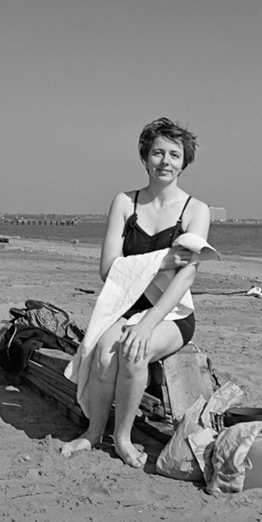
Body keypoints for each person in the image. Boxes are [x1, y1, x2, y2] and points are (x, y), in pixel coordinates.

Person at [61, 117, 210, 467]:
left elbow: (186, 278)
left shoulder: (196, 211)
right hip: (126, 305)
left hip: (172, 314)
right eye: (158, 152)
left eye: (174, 155)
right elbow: (107, 268)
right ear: (145, 158)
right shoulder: (125, 204)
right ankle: (92, 433)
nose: (165, 162)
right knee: (103, 356)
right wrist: (161, 260)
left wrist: (147, 326)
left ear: (184, 162)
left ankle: (123, 439)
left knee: (133, 352)